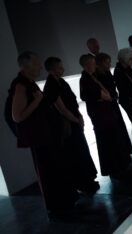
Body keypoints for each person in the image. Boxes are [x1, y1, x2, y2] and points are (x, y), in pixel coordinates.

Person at [10, 51, 78, 213]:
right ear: (26, 66)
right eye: (36, 63)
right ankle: (57, 207)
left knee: (54, 170)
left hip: (45, 135)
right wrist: (38, 99)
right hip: (39, 138)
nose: (40, 66)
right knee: (48, 172)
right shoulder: (20, 85)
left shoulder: (29, 83)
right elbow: (17, 117)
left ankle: (63, 203)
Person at [43, 57, 99, 194]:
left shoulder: (61, 82)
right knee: (75, 153)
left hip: (73, 120)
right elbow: (61, 108)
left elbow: (72, 101)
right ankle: (82, 183)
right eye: (59, 67)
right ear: (51, 69)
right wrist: (75, 119)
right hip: (66, 124)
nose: (62, 69)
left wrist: (79, 116)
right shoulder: (51, 85)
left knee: (82, 150)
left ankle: (88, 180)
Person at [79, 54, 132, 178]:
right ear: (87, 65)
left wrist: (106, 96)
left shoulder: (91, 77)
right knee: (106, 140)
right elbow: (102, 95)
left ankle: (118, 164)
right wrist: (105, 96)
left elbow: (106, 94)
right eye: (93, 63)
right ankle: (113, 167)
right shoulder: (86, 79)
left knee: (112, 137)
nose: (95, 65)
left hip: (104, 112)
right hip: (100, 114)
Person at [95, 52, 132, 158]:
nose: (109, 64)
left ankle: (125, 152)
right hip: (107, 107)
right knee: (114, 130)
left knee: (120, 127)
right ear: (100, 63)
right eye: (107, 62)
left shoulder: (107, 73)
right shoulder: (97, 76)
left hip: (113, 104)